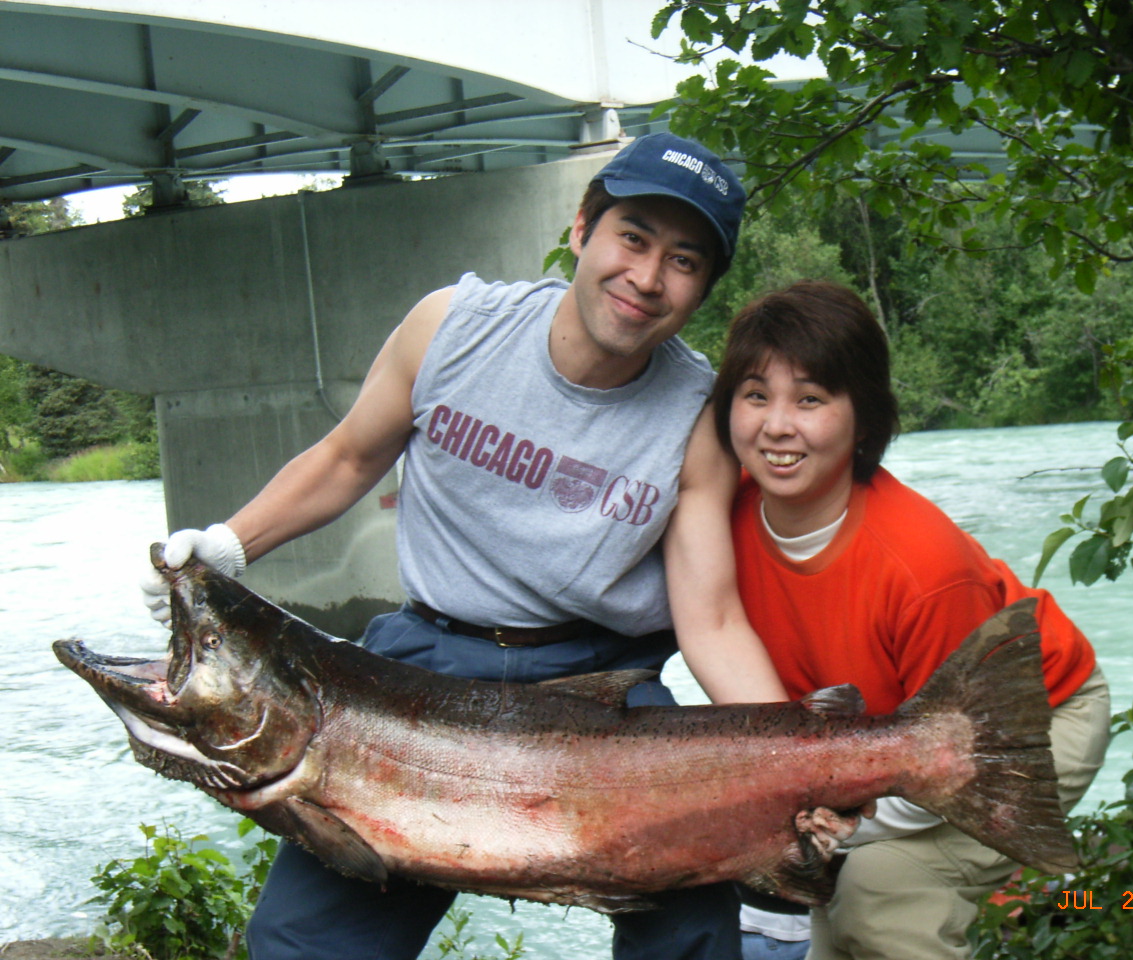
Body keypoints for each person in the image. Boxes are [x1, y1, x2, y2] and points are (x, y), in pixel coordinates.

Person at [140, 131, 793, 960]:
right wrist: (228, 546)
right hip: (420, 670)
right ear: (584, 227)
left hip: (597, 693)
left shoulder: (697, 418)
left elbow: (715, 623)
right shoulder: (451, 327)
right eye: (633, 237)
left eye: (685, 261)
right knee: (299, 945)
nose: (647, 278)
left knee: (695, 938)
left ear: (701, 289)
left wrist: (796, 751)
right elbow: (347, 458)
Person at [709, 280, 1112, 960]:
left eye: (810, 399)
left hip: (1024, 720)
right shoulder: (723, 515)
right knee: (839, 913)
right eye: (755, 396)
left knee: (879, 891)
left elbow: (955, 751)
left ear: (863, 418)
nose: (776, 425)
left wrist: (850, 826)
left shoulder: (922, 566)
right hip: (890, 738)